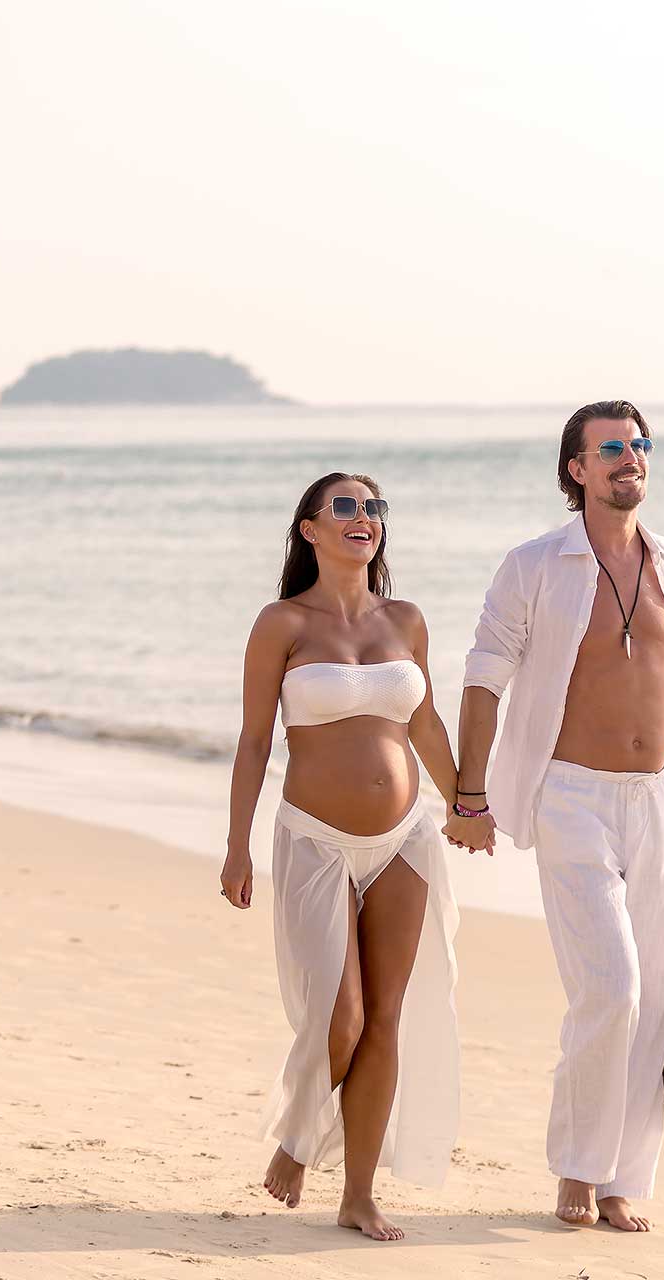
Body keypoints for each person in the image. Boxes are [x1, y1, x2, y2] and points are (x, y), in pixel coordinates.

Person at [446, 400, 664, 1232]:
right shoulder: (536, 564)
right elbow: (484, 674)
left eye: (639, 445)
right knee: (610, 987)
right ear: (576, 469)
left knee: (653, 1005)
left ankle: (620, 1180)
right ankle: (576, 1168)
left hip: (656, 803)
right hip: (571, 795)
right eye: (611, 448)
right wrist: (471, 796)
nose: (629, 458)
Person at [221, 472, 463, 1241]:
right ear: (310, 531)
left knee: (386, 1017)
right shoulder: (281, 623)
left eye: (374, 508)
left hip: (406, 840)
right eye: (346, 508)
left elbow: (424, 725)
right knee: (341, 1016)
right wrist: (237, 846)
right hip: (315, 838)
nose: (365, 519)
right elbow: (257, 738)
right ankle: (299, 1137)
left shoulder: (407, 619)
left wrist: (467, 803)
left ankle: (358, 1194)